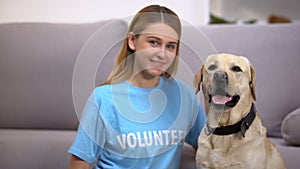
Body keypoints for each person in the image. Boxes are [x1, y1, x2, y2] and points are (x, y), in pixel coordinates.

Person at [68, 4, 206, 169]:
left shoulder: (184, 96)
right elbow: (79, 163)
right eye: (154, 42)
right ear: (132, 41)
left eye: (170, 46)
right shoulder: (103, 98)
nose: (162, 54)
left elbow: (208, 147)